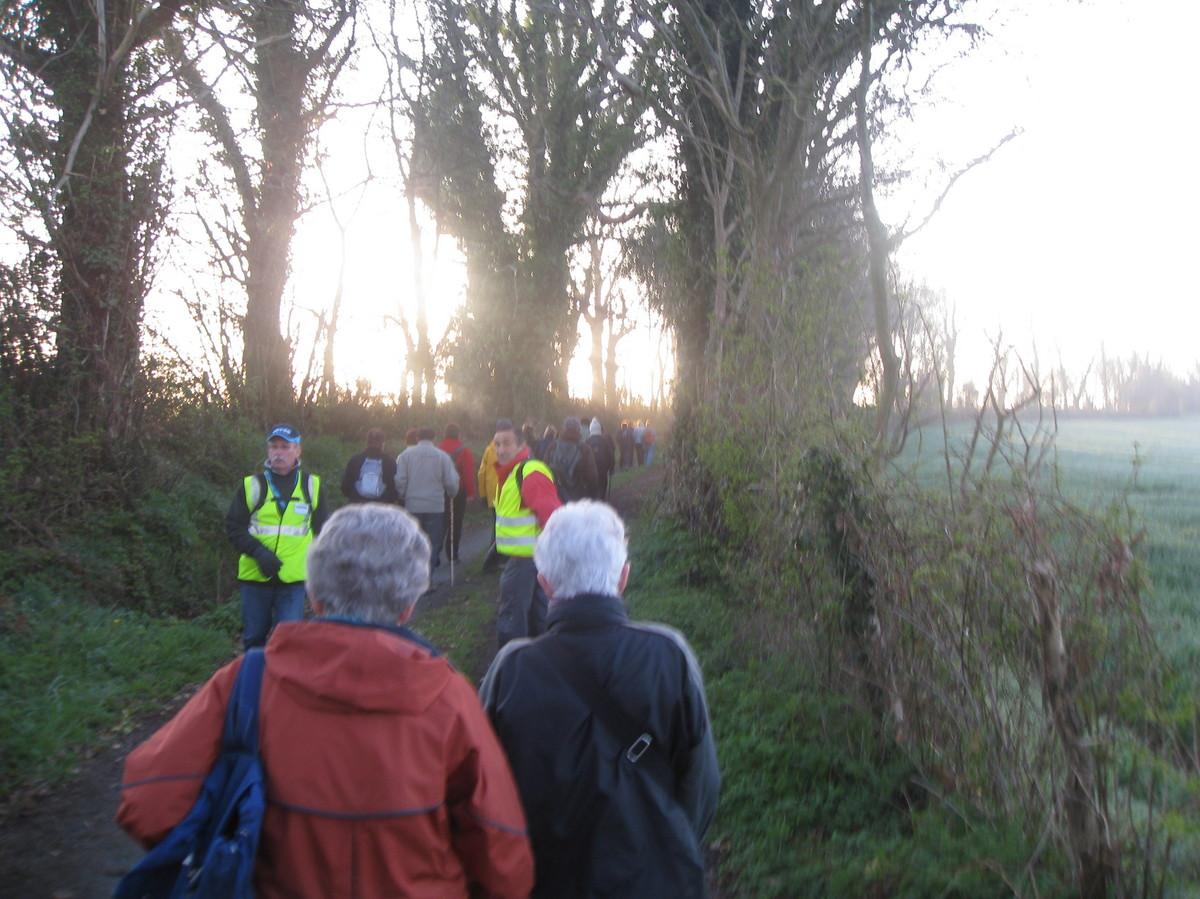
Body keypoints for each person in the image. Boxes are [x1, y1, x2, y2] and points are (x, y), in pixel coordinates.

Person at [118, 504, 535, 898]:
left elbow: (148, 803)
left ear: (315, 594)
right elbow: (503, 857)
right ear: (408, 606)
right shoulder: (449, 697)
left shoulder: (246, 682)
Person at [480, 501, 720, 897]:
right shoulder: (669, 655)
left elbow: (484, 794)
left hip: (545, 881)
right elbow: (701, 785)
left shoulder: (511, 669)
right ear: (623, 577)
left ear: (545, 583)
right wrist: (664, 845)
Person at [225, 423, 327, 650]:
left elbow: (324, 532)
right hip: (255, 576)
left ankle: (281, 684)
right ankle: (255, 681)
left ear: (298, 451)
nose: (278, 452)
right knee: (254, 639)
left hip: (293, 579)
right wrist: (259, 553)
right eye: (274, 447)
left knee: (289, 641)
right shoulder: (252, 485)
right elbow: (234, 527)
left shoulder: (312, 486)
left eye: (285, 447)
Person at [492, 418, 561, 647]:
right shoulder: (513, 474)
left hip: (527, 560)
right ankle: (540, 661)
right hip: (529, 558)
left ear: (522, 446)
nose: (500, 450)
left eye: (506, 444)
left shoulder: (529, 472)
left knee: (512, 617)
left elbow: (552, 516)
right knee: (536, 617)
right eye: (497, 444)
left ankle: (511, 667)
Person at [396, 426, 460, 569]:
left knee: (413, 541)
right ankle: (428, 579)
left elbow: (400, 480)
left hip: (413, 504)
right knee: (432, 543)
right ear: (434, 438)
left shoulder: (405, 455)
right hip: (435, 505)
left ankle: (414, 576)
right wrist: (452, 493)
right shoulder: (442, 456)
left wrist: (402, 494)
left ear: (417, 438)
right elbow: (451, 481)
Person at [437, 423, 476, 563]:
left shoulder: (438, 449)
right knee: (456, 522)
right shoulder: (464, 451)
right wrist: (470, 492)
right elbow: (468, 473)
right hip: (458, 491)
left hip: (440, 490)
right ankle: (453, 554)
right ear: (458, 434)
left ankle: (435, 554)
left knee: (441, 521)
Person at [542, 415, 599, 502]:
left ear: (564, 429)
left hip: (556, 496)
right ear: (578, 429)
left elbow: (543, 471)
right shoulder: (585, 449)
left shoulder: (553, 447)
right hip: (579, 498)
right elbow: (592, 477)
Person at [340, 427, 399, 504]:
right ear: (382, 443)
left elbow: (345, 486)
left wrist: (353, 496)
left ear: (367, 442)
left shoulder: (355, 460)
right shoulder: (389, 461)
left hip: (357, 503)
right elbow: (393, 486)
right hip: (381, 504)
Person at [477, 437, 504, 573]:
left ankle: (492, 557)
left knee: (496, 524)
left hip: (492, 493)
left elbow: (481, 473)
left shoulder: (489, 450)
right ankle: (495, 559)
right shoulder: (513, 449)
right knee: (503, 526)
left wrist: (482, 494)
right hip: (507, 493)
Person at [586, 417, 617, 499]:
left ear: (590, 429)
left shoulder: (587, 442)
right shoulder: (605, 441)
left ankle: (593, 502)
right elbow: (610, 455)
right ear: (599, 429)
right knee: (602, 485)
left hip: (590, 471)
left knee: (592, 488)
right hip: (603, 469)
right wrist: (611, 468)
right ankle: (601, 500)